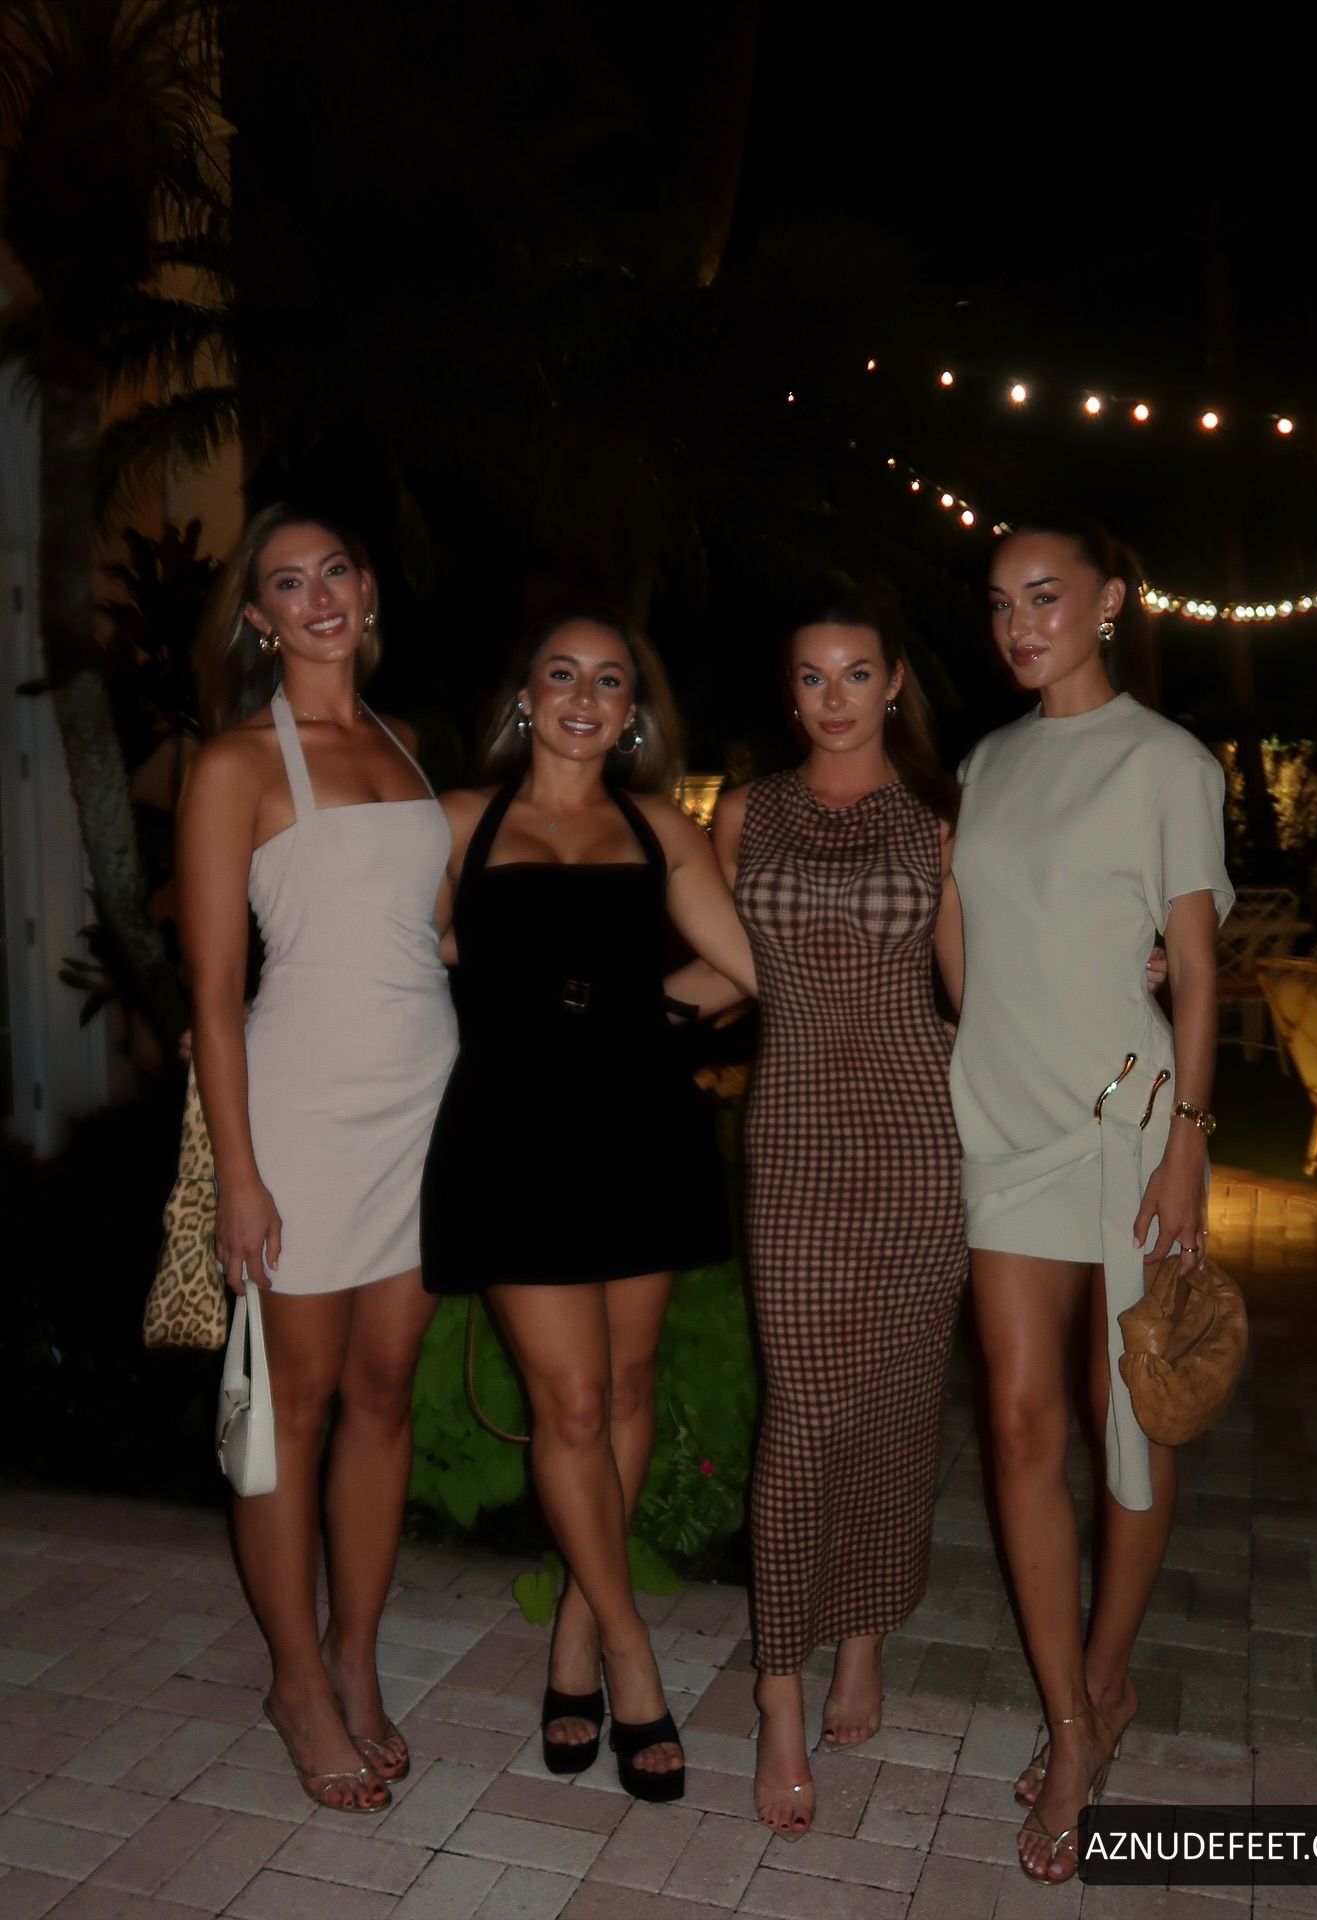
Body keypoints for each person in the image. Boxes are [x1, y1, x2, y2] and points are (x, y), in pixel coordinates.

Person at [420, 609, 756, 1802]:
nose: (582, 696)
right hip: (512, 1137)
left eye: (609, 681)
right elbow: (397, 952)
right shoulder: (459, 820)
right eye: (560, 674)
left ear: (633, 715)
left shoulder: (660, 827)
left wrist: (642, 1021)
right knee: (566, 1403)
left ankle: (573, 1627)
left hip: (640, 1129)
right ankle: (628, 1649)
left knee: (623, 1388)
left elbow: (748, 965)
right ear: (526, 697)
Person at [951, 515, 1231, 1883]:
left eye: (1046, 596)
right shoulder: (985, 762)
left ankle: (1105, 1683)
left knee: (1133, 1411)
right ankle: (1068, 1715)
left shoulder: (1168, 761)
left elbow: (1197, 963)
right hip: (1003, 1122)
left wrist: (1189, 1140)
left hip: (1126, 1123)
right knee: (1016, 1422)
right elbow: (966, 943)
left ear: (1109, 600)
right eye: (1002, 602)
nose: (1021, 623)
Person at [668, 604, 969, 1839]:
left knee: (898, 1398)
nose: (834, 697)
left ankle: (864, 1637)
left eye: (856, 674)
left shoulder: (940, 818)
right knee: (804, 1410)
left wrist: (1120, 978)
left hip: (917, 1137)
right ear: (789, 693)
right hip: (793, 1135)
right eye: (811, 677)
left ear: (893, 682)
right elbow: (726, 969)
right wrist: (572, 1007)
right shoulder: (746, 812)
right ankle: (777, 1688)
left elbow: (976, 990)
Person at [176, 504, 459, 1813]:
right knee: (289, 1413)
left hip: (423, 1108)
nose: (320, 596)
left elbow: (433, 938)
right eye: (288, 584)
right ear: (259, 618)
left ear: (366, 586)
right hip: (300, 1113)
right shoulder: (235, 763)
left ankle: (355, 1651)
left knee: (384, 1394)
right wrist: (239, 1174)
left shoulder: (404, 747)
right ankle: (296, 1681)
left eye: (335, 570)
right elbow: (213, 992)